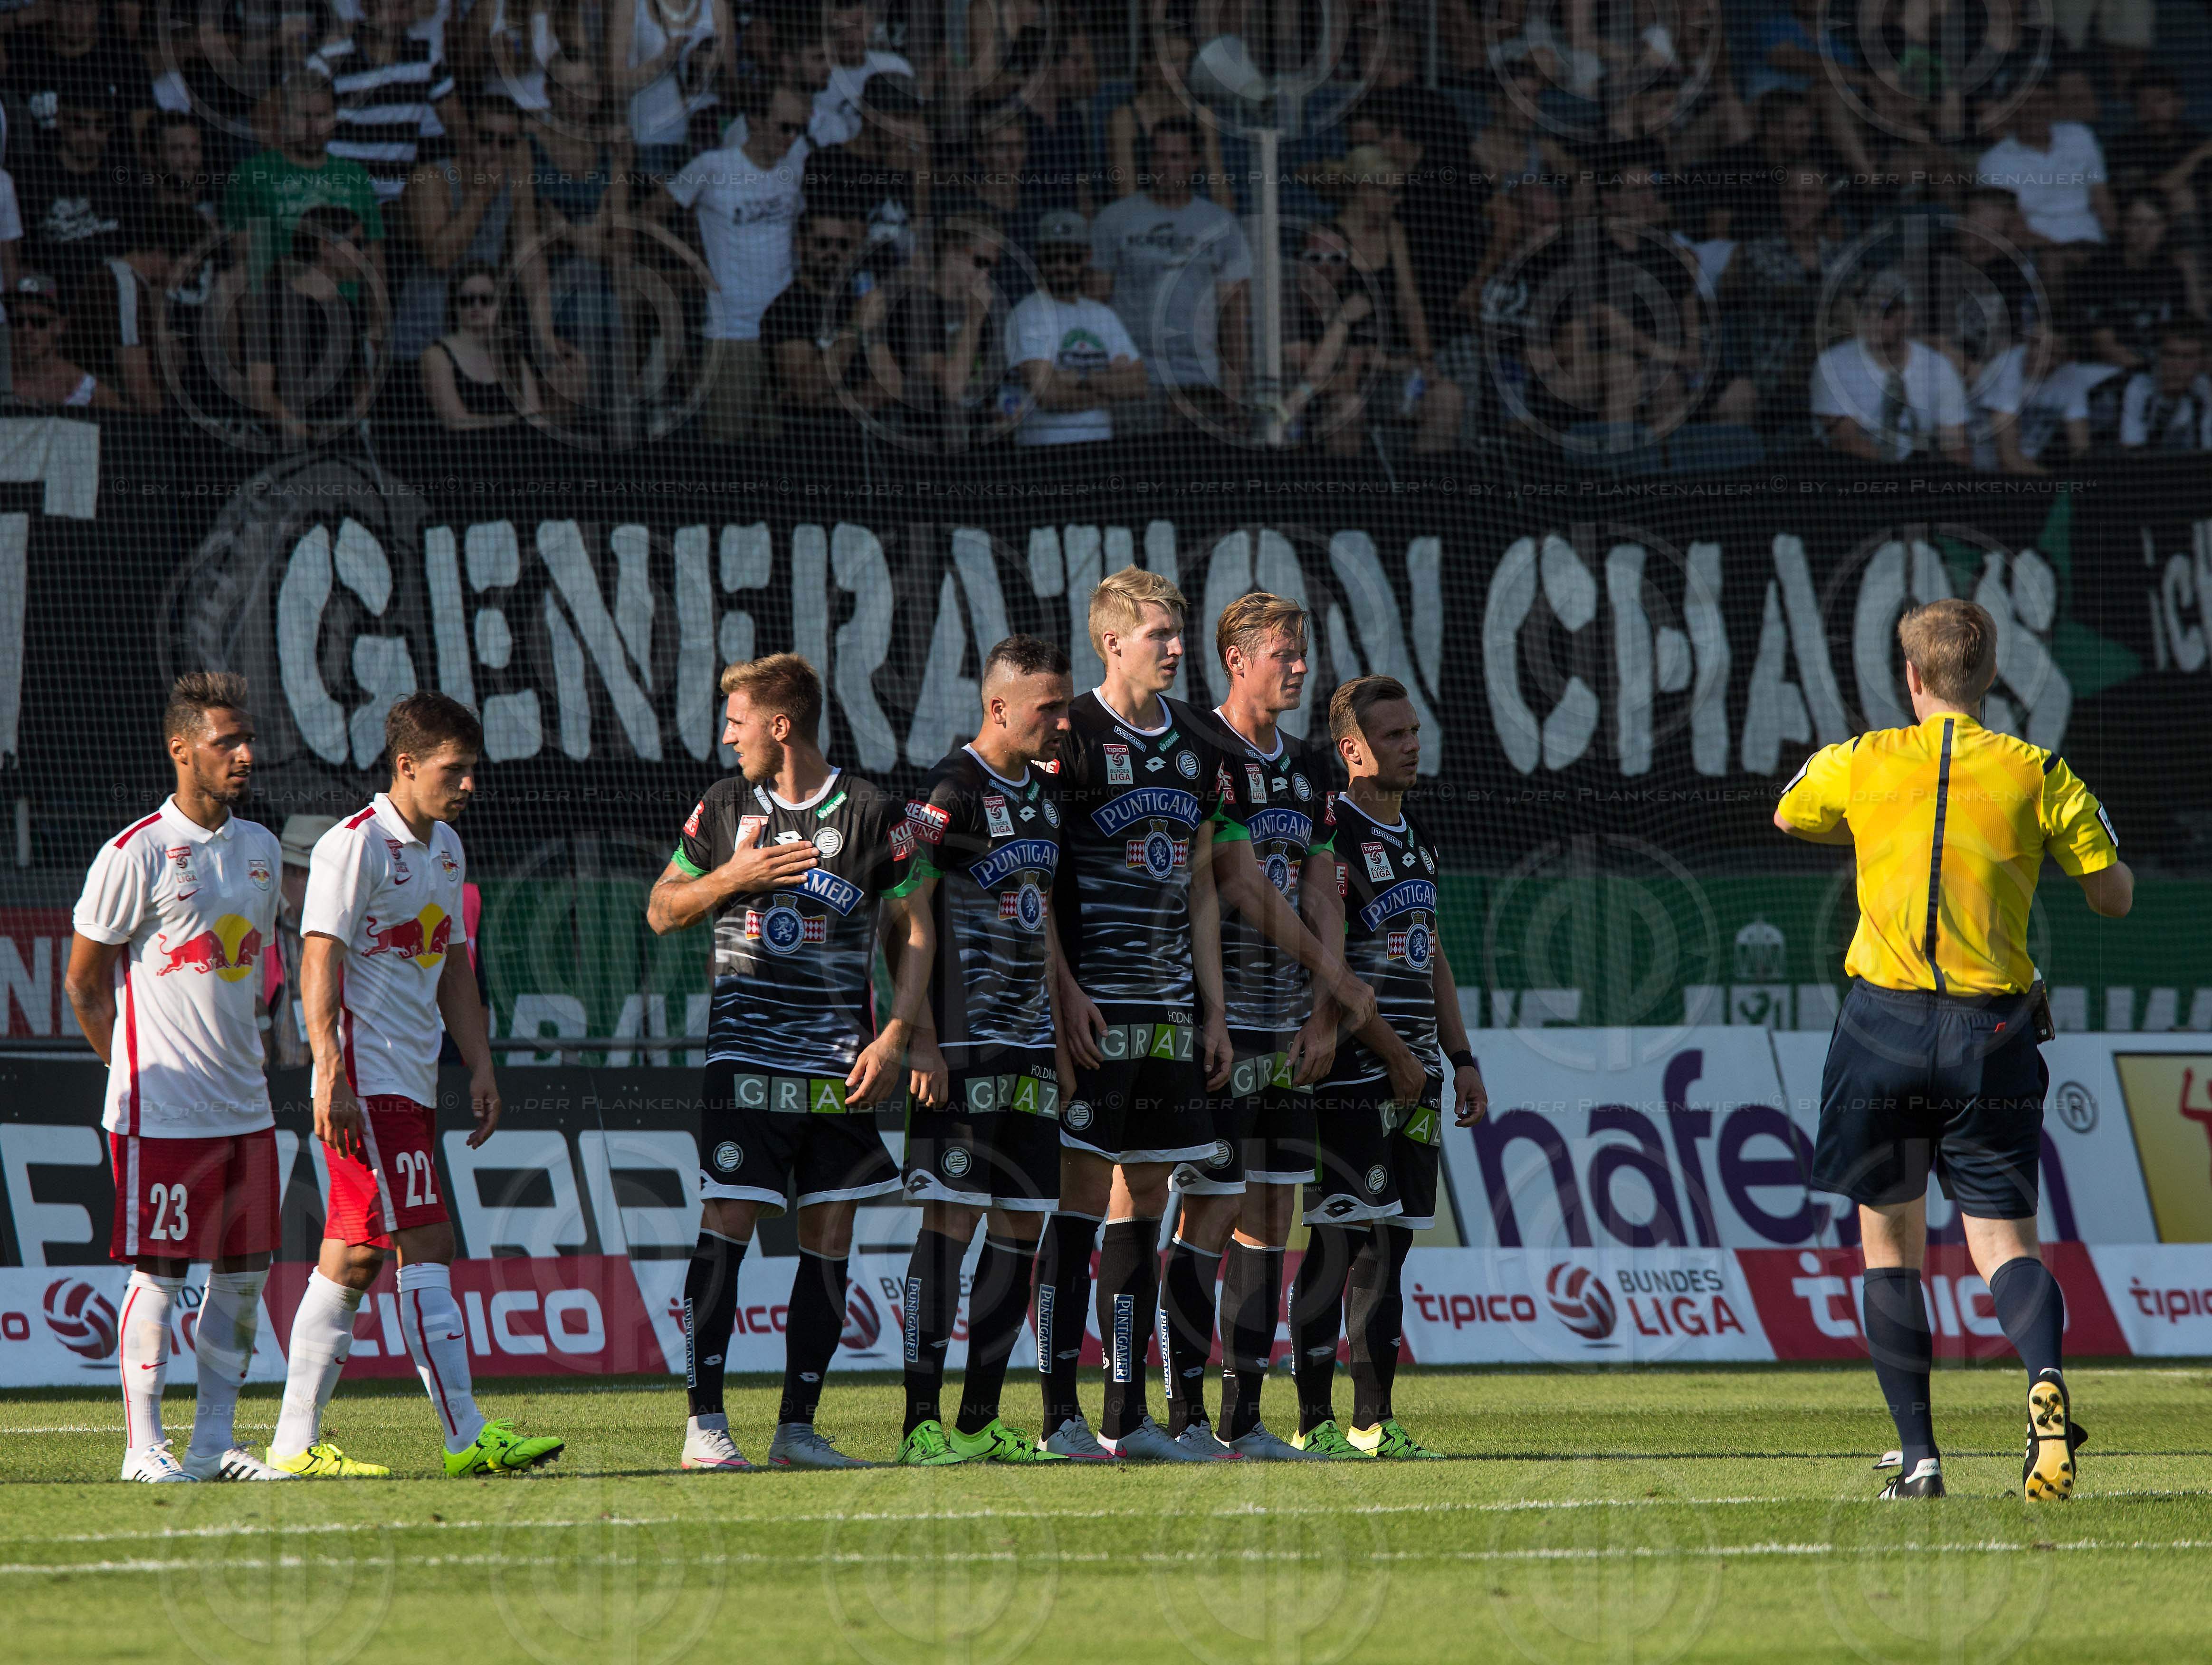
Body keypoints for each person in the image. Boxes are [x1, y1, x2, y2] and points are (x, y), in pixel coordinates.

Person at [1774, 598, 2130, 1502]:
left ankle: (1922, 1459)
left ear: (1911, 678)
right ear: (1989, 676)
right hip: (1991, 1032)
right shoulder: (2037, 772)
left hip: (1880, 1026)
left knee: (1889, 1249)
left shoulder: (1863, 760)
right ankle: (2043, 1380)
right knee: (2006, 1240)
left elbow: (1787, 814)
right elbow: (2114, 898)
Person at [275, 692, 565, 1479]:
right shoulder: (355, 846)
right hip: (367, 1081)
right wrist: (329, 1071)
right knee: (424, 1240)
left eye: (473, 769)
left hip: (412, 1078)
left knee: (356, 1250)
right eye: (455, 768)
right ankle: (466, 1431)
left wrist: (480, 1063)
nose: (469, 783)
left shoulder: (446, 849)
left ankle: (293, 1441)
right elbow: (317, 958)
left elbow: (454, 968)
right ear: (406, 764)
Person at [645, 654, 911, 1472]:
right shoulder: (724, 807)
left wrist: (900, 1032)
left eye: (737, 721)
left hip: (841, 1066)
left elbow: (911, 929)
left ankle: (797, 1427)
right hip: (745, 1060)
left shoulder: (870, 810)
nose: (727, 737)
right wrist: (733, 875)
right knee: (727, 1220)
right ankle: (705, 1425)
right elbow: (661, 910)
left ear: (780, 724)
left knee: (830, 1229)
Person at [62, 673, 293, 1484]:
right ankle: (143, 1447)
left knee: (242, 1276)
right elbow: (84, 984)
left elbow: (254, 976)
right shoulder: (138, 852)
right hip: (161, 1111)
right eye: (227, 741)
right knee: (158, 1272)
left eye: (246, 738)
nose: (245, 754)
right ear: (181, 748)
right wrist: (130, 1065)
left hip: (245, 1106)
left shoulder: (261, 849)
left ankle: (213, 1443)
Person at [1166, 595, 1378, 1459]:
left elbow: (1322, 888)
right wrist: (1342, 980)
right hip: (1215, 1021)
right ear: (1237, 656)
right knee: (1206, 1214)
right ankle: (1176, 1414)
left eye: (1302, 651)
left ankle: (1243, 1419)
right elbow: (1235, 886)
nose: (1298, 665)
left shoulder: (1310, 769)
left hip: (1291, 1025)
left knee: (1270, 1213)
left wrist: (1325, 1011)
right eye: (1284, 653)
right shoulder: (1200, 750)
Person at [1040, 566, 1238, 1462]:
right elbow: (1032, 874)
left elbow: (1202, 881)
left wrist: (1214, 1010)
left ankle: (1126, 1416)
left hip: (1167, 1017)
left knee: (1149, 1193)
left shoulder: (1200, 740)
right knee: (1080, 1195)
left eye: (1177, 633)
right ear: (1112, 641)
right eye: (1158, 633)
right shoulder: (1069, 733)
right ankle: (1056, 1417)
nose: (1173, 647)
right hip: (1091, 1014)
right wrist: (1063, 990)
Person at [884, 634, 1074, 1466]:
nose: (1063, 721)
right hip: (959, 1047)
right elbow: (901, 908)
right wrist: (918, 1033)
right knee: (950, 1221)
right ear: (1000, 706)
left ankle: (979, 1418)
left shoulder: (1043, 794)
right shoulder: (949, 790)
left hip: (1031, 1046)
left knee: (1020, 1224)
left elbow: (1042, 916)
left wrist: (1063, 1030)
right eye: (1049, 708)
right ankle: (920, 1422)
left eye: (1065, 705)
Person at [1290, 676, 1487, 1460]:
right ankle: (1312, 1421)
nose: (1413, 743)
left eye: (1414, 729)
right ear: (1352, 749)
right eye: (1396, 733)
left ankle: (1374, 1420)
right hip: (1353, 1074)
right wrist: (1399, 1056)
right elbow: (1333, 971)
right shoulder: (1330, 833)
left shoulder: (1417, 839)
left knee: (1391, 1244)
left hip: (1415, 1072)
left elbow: (1428, 950)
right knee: (1336, 1239)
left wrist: (1459, 1055)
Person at [666, 79, 809, 441]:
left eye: (799, 129)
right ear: (756, 121)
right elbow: (651, 218)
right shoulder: (711, 166)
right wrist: (691, 265)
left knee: (779, 447)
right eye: (784, 127)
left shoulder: (793, 174)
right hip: (731, 331)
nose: (792, 137)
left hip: (784, 334)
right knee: (726, 448)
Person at [1090, 120, 1251, 428]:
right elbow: (1096, 303)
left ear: (1195, 163)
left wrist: (1234, 385)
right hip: (1135, 379)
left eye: (1176, 157)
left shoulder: (1221, 224)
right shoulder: (1114, 220)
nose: (1166, 165)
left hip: (1199, 379)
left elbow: (1233, 312)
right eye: (1159, 156)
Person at [397, 94, 529, 362]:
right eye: (485, 137)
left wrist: (545, 337)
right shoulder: (430, 177)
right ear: (467, 134)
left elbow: (530, 257)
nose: (494, 150)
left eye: (506, 143)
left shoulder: (516, 180)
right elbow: (439, 258)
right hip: (423, 338)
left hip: (480, 336)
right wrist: (483, 195)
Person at [224, 76, 387, 288]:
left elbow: (375, 258)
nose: (313, 127)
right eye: (304, 116)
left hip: (347, 309)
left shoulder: (354, 175)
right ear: (283, 118)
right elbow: (242, 255)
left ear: (335, 118)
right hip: (280, 305)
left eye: (322, 116)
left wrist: (377, 321)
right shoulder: (250, 175)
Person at [1002, 208, 1144, 444]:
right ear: (1039, 256)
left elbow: (1139, 385)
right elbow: (1048, 395)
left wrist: (1079, 378)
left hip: (1103, 447)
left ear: (1087, 257)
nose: (1061, 265)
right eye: (1051, 257)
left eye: (1071, 257)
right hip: (1044, 451)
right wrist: (1109, 392)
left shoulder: (1103, 314)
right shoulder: (1028, 314)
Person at [242, 206, 383, 443]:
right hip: (285, 449)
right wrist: (306, 436)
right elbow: (260, 391)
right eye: (357, 244)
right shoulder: (271, 306)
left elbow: (360, 384)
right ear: (325, 247)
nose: (364, 253)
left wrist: (344, 431)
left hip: (342, 445)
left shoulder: (349, 310)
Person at [758, 204, 900, 426]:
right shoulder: (785, 310)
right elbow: (807, 390)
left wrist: (830, 403)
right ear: (801, 245)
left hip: (869, 439)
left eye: (842, 245)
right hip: (812, 440)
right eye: (823, 244)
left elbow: (891, 384)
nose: (833, 253)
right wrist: (855, 326)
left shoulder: (859, 301)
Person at [308, 0, 460, 207]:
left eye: (402, 7)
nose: (395, 18)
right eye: (388, 7)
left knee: (430, 183)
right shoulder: (328, 62)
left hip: (396, 205)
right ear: (366, 7)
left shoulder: (427, 58)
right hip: (342, 200)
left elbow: (461, 131)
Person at [1812, 270, 1969, 465]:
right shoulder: (1833, 365)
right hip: (1854, 475)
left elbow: (1954, 444)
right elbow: (1846, 441)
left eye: (1884, 311)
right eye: (1866, 309)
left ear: (1908, 317)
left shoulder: (1939, 367)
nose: (1872, 319)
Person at [884, 214, 1011, 447]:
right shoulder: (915, 307)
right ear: (952, 250)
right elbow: (952, 388)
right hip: (927, 451)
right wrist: (973, 322)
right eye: (980, 261)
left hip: (979, 449)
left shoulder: (979, 307)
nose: (986, 275)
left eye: (992, 265)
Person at [13, 90, 138, 290]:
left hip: (112, 294)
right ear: (61, 121)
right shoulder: (31, 178)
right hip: (49, 298)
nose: (91, 135)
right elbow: (18, 258)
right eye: (80, 124)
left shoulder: (125, 176)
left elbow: (145, 253)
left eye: (101, 125)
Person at [2075, 193, 2204, 374]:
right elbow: (2103, 342)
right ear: (2124, 226)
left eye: (2152, 224)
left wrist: (2190, 273)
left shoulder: (2170, 273)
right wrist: (2150, 374)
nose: (2144, 232)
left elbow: (2190, 329)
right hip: (2107, 371)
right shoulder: (2099, 271)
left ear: (2165, 227)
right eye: (2136, 222)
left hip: (2163, 373)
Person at [1103, 31, 1231, 210]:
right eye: (1172, 61)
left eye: (1184, 61)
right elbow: (1126, 190)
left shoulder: (1202, 114)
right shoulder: (1125, 118)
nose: (1182, 70)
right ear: (1147, 66)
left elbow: (1218, 181)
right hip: (1144, 220)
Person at [606, 0, 731, 179]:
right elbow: (615, 85)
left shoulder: (717, 6)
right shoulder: (630, 5)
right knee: (653, 205)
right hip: (653, 141)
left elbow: (734, 88)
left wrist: (706, 67)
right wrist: (663, 62)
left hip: (707, 138)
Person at [421, 260, 542, 428]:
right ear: (454, 306)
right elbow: (456, 421)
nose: (477, 306)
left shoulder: (513, 356)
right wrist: (510, 422)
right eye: (467, 300)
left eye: (486, 300)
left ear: (499, 305)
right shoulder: (436, 355)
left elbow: (535, 416)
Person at [1971, 323, 2093, 473]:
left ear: (2068, 358)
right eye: (2035, 344)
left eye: (2049, 353)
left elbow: (2080, 445)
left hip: (2030, 468)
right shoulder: (2005, 369)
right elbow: (2008, 459)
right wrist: (2056, 484)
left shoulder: (2072, 375)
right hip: (1984, 474)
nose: (2036, 354)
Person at [6, 272, 120, 406]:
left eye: (39, 321)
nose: (26, 330)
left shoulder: (90, 393)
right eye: (17, 321)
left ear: (60, 326)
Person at [2119, 325, 2212, 450]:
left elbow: (2207, 450)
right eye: (2170, 355)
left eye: (2188, 357)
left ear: (2202, 362)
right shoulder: (2138, 386)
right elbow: (2131, 449)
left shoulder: (2204, 389)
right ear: (2156, 356)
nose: (2178, 365)